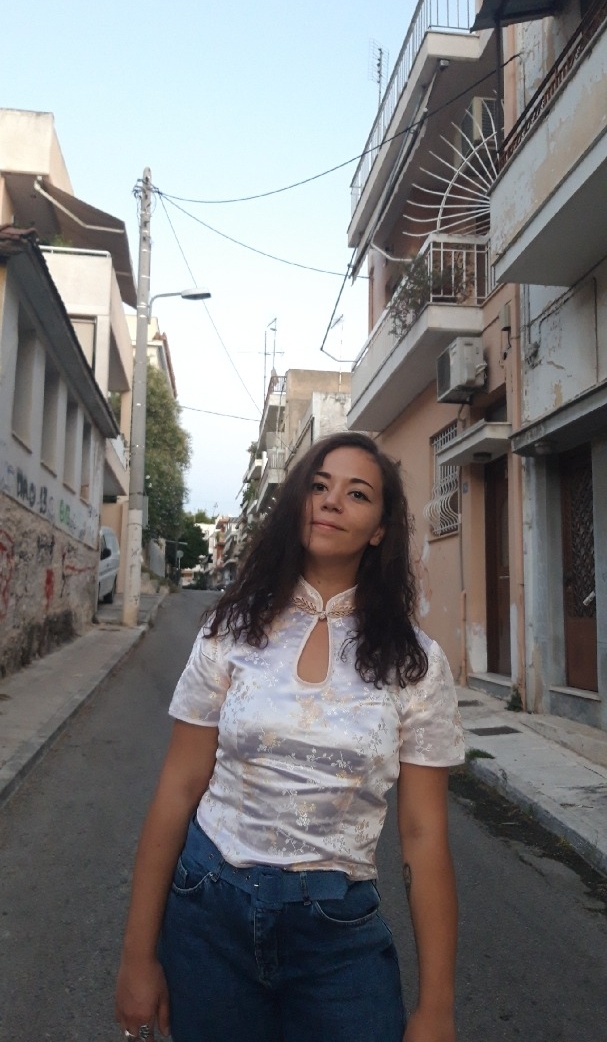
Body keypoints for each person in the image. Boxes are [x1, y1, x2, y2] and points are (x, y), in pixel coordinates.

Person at [115, 431, 465, 1042]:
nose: (331, 501)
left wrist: (437, 1006)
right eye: (319, 486)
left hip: (339, 936)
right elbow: (178, 787)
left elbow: (423, 833)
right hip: (208, 912)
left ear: (380, 530)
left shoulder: (415, 663)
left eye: (357, 494)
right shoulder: (231, 629)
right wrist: (136, 956)